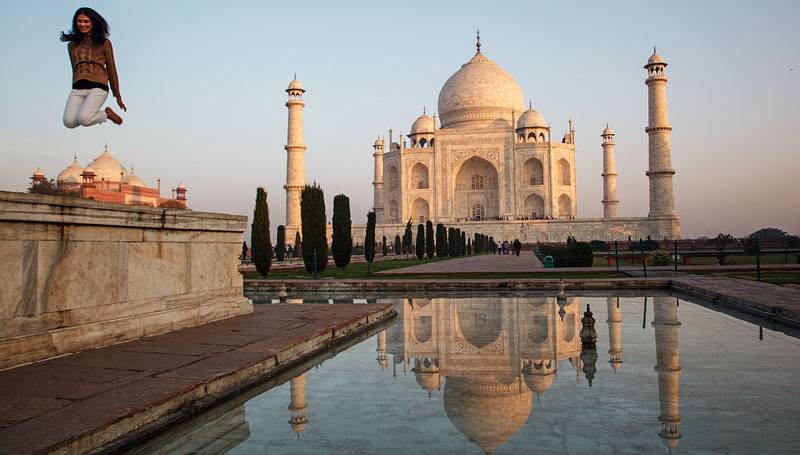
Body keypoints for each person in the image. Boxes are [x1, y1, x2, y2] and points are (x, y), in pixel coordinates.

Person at [61, 7, 126, 128]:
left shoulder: (104, 42)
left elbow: (111, 68)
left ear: (93, 23)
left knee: (84, 119)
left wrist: (117, 95)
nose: (82, 24)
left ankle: (106, 114)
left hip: (98, 87)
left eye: (86, 21)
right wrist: (74, 85)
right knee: (69, 122)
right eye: (79, 21)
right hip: (78, 88)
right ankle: (98, 115)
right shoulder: (72, 45)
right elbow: (74, 69)